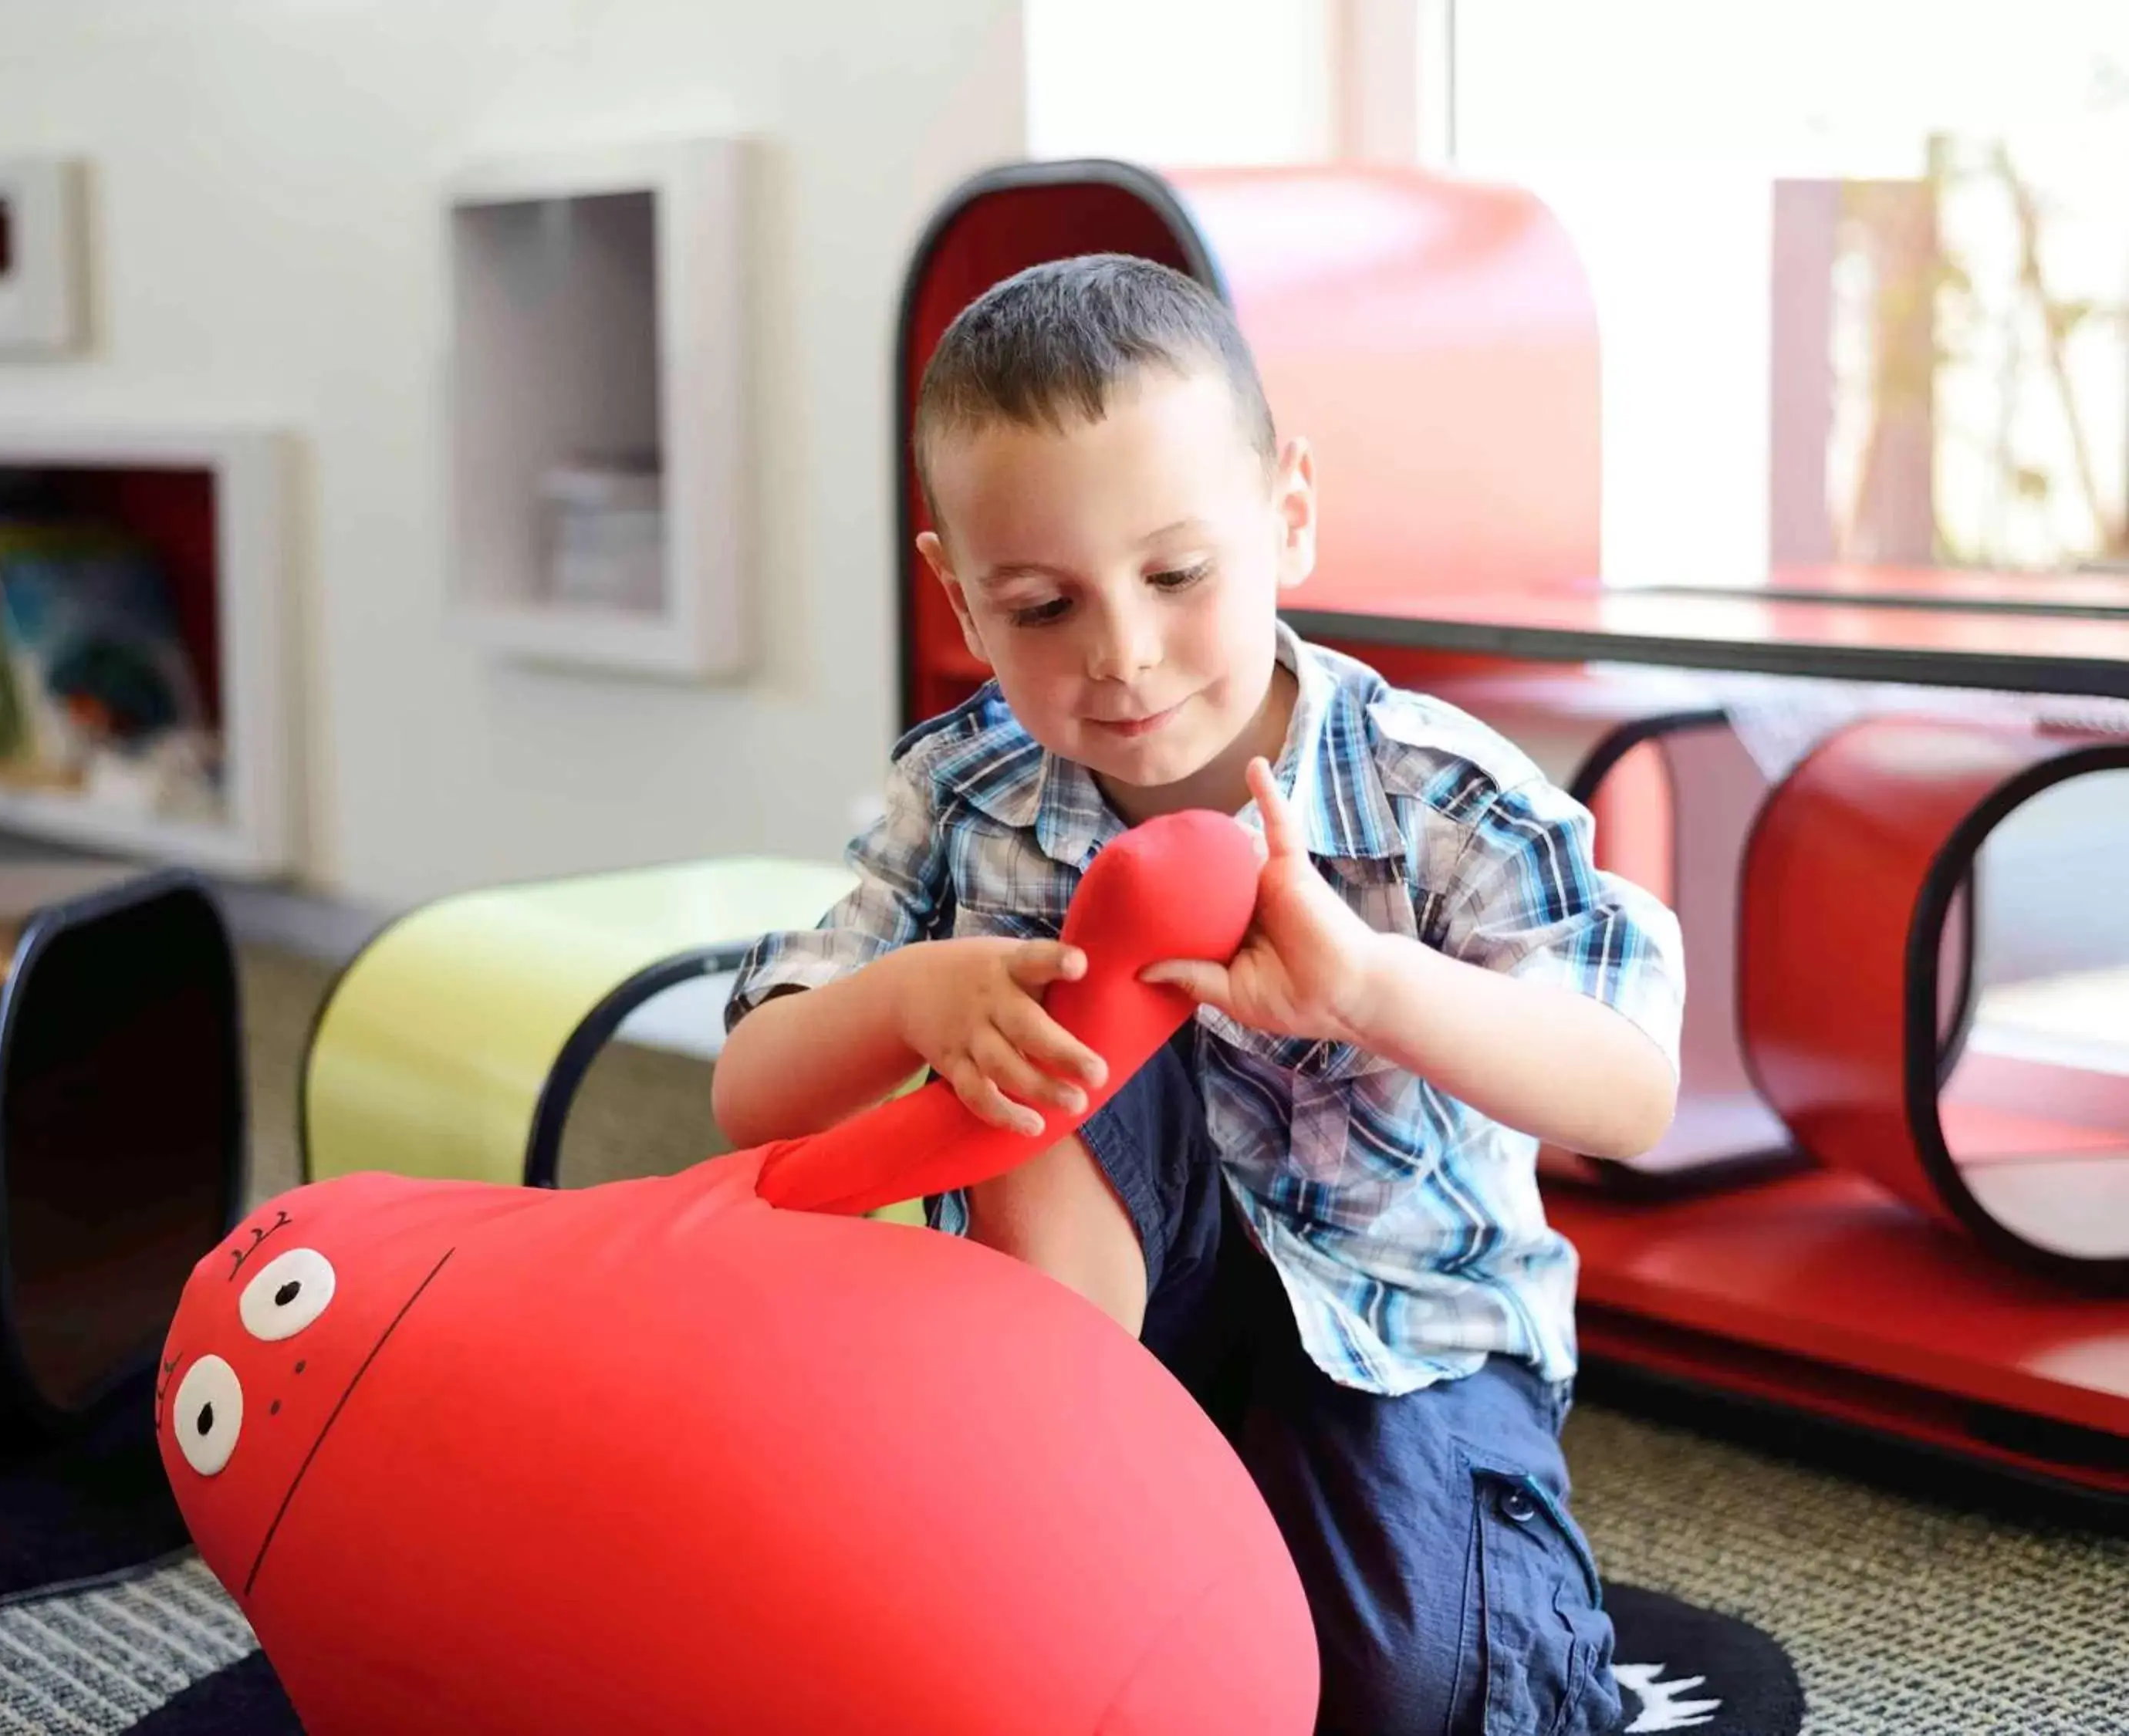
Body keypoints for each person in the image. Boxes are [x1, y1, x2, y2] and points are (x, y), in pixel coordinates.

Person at [711, 252, 1683, 1736]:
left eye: (1177, 574)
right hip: (1090, 1352)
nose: (1121, 652)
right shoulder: (956, 793)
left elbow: (1631, 1092)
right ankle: (1060, 1517)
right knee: (1038, 1030)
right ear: (958, 595)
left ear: (1287, 512)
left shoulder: (1437, 789)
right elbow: (749, 1094)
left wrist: (1370, 986)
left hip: (1399, 1344)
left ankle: (1490, 1603)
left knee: (1396, 1696)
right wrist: (915, 999)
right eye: (1041, 605)